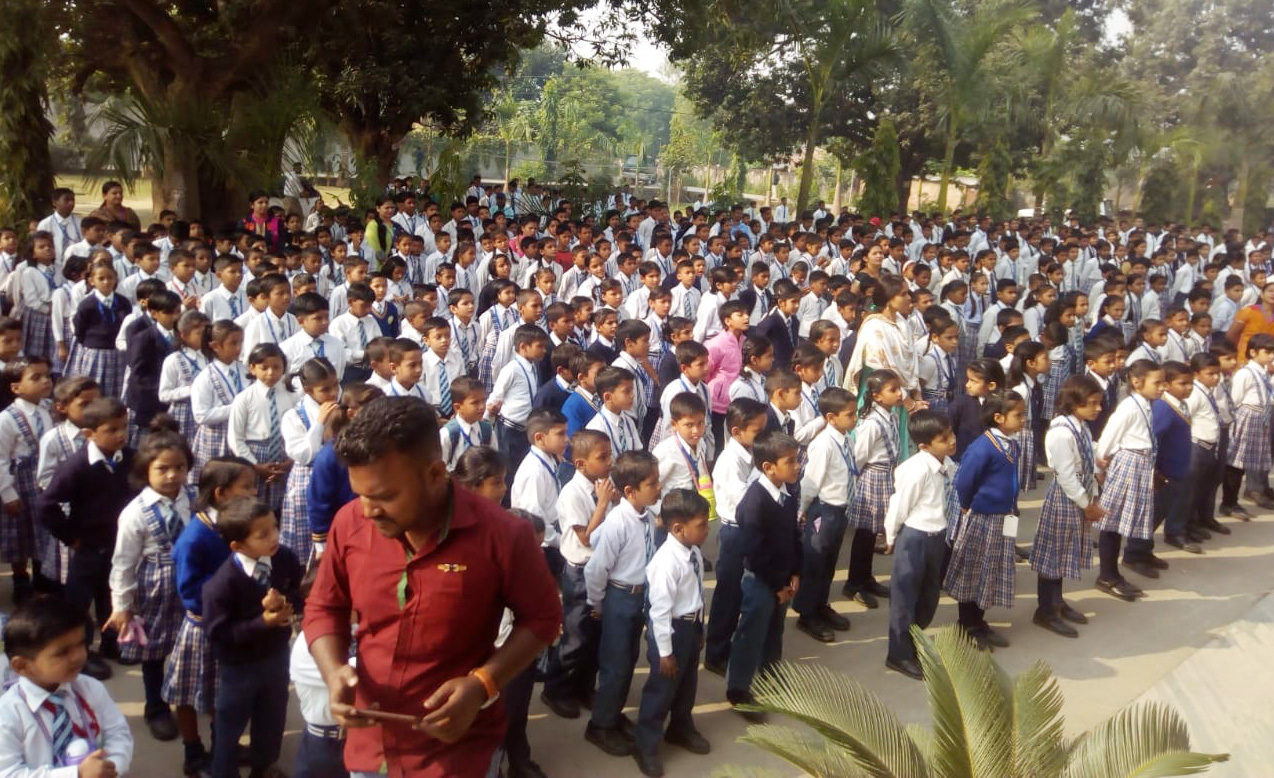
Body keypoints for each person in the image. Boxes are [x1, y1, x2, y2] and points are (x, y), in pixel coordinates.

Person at [303, 397, 561, 777]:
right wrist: (334, 671)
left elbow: (543, 618)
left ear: (436, 474)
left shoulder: (504, 535)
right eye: (361, 495)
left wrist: (483, 683)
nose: (369, 510)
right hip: (370, 752)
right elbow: (324, 607)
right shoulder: (349, 523)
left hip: (458, 754)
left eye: (385, 496)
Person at [169, 456, 257, 776]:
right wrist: (229, 598)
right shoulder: (195, 537)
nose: (254, 493)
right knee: (190, 694)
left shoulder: (235, 525)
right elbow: (190, 591)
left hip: (230, 622)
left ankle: (223, 747)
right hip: (203, 628)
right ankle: (193, 753)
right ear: (221, 493)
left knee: (224, 695)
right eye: (247, 487)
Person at [36, 397, 135, 681]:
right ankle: (84, 651)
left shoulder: (129, 458)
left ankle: (111, 643)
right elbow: (46, 505)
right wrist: (70, 537)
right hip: (88, 548)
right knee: (79, 602)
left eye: (124, 427)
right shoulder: (78, 465)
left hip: (119, 545)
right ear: (89, 434)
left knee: (111, 594)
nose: (121, 435)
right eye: (112, 430)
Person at [203, 497, 304, 778]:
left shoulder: (284, 558)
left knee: (272, 717)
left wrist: (286, 602)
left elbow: (297, 592)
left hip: (276, 657)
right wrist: (262, 622)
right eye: (263, 535)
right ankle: (224, 771)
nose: (274, 537)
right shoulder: (222, 584)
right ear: (237, 546)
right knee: (230, 724)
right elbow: (218, 633)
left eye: (274, 527)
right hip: (239, 667)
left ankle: (263, 767)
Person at [0, 595, 133, 776]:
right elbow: (8, 772)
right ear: (22, 666)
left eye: (81, 644)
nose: (78, 656)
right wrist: (76, 774)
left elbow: (118, 733)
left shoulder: (91, 689)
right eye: (62, 652)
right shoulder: (8, 714)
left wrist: (112, 765)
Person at [582, 450, 661, 757]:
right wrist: (597, 602)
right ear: (630, 491)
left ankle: (613, 715)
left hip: (639, 596)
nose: (658, 487)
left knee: (628, 660)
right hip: (620, 597)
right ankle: (600, 725)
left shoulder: (646, 516)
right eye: (652, 484)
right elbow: (596, 568)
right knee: (614, 665)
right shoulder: (619, 521)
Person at [633, 489, 712, 778]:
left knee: (687, 681)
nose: (707, 529)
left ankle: (680, 726)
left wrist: (699, 628)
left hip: (689, 627)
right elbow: (660, 612)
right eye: (701, 525)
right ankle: (645, 744)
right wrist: (665, 653)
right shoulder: (666, 563)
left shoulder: (693, 552)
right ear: (678, 529)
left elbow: (696, 595)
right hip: (671, 631)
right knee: (662, 689)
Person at [725, 430, 801, 717]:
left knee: (774, 630)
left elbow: (794, 537)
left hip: (781, 579)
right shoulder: (754, 503)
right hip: (761, 581)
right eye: (790, 461)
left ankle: (771, 674)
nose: (797, 466)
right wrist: (778, 585)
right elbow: (755, 553)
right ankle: (738, 690)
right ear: (768, 467)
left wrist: (795, 572)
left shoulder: (787, 495)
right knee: (751, 633)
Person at [540, 430, 613, 720]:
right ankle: (555, 688)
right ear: (581, 464)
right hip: (580, 573)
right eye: (602, 457)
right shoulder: (573, 493)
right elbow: (585, 537)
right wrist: (603, 504)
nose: (609, 462)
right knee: (576, 635)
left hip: (601, 568)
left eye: (609, 455)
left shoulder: (602, 485)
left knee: (596, 635)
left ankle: (584, 687)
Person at [946, 391, 1026, 651]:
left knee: (990, 570)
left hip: (1003, 516)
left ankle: (979, 622)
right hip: (982, 517)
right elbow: (964, 482)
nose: (1023, 420)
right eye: (1018, 415)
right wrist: (967, 506)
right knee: (973, 570)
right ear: (999, 417)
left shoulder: (1011, 444)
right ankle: (967, 625)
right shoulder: (982, 447)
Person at [883, 410, 958, 679]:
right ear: (924, 446)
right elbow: (900, 505)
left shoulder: (946, 464)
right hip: (915, 538)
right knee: (905, 598)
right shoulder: (916, 470)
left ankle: (913, 641)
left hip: (937, 537)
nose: (952, 441)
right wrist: (891, 536)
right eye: (943, 439)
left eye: (951, 434)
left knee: (929, 596)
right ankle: (898, 655)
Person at [1031, 376, 1105, 638]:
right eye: (1092, 403)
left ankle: (1057, 602)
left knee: (1062, 554)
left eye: (1098, 403)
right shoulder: (1061, 433)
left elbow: (1086, 464)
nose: (1098, 408)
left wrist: (1093, 495)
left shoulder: (1081, 427)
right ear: (1074, 404)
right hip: (1065, 498)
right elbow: (1066, 475)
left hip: (1078, 496)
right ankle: (1045, 611)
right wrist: (1087, 504)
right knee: (1053, 555)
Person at [703, 398, 767, 676]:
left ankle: (730, 645)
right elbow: (746, 502)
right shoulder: (730, 461)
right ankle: (716, 653)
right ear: (736, 431)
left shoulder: (750, 452)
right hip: (734, 533)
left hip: (748, 530)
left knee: (741, 591)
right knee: (728, 593)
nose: (762, 436)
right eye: (757, 431)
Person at [1094, 360, 1164, 602]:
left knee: (1121, 523)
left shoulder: (1145, 405)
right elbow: (1107, 438)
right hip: (1129, 464)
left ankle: (1114, 574)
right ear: (1137, 382)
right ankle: (1106, 576)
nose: (1161, 387)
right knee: (1112, 523)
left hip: (1141, 465)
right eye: (1157, 382)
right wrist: (1099, 468)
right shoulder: (1129, 408)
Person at [793, 387, 857, 643]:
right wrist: (803, 509)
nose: (854, 419)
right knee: (815, 562)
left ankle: (821, 604)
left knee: (829, 562)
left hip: (840, 509)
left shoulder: (846, 439)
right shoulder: (823, 445)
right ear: (831, 417)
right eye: (849, 415)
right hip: (824, 510)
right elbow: (811, 482)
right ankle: (807, 613)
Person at [845, 370, 904, 608]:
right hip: (873, 477)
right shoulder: (871, 423)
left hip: (886, 476)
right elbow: (859, 456)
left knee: (873, 533)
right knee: (865, 532)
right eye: (893, 390)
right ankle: (854, 583)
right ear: (877, 396)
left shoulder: (891, 416)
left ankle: (866, 578)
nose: (899, 394)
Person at [279, 359, 341, 565]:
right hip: (306, 481)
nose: (333, 393)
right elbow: (304, 455)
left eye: (336, 385)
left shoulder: (342, 407)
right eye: (325, 390)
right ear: (308, 390)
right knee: (306, 548)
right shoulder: (294, 416)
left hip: (336, 478)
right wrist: (319, 423)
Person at [227, 344, 295, 512]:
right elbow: (235, 438)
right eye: (264, 368)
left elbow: (298, 429)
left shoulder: (292, 396)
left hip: (284, 454)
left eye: (276, 367)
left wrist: (291, 460)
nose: (271, 373)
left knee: (283, 505)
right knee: (255, 505)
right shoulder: (244, 399)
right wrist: (255, 466)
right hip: (256, 455)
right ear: (252, 368)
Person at [510, 409, 569, 574]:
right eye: (560, 434)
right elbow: (534, 518)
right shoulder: (533, 472)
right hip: (544, 545)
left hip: (552, 537)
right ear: (540, 438)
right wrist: (562, 542)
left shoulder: (550, 458)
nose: (567, 439)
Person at [190, 321, 247, 483]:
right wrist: (236, 408)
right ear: (215, 346)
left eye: (240, 342)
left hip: (242, 435)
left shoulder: (245, 370)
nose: (239, 348)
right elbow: (201, 415)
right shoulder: (205, 377)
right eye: (233, 343)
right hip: (217, 438)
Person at [1226, 334, 1274, 508]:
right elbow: (1235, 399)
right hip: (1248, 417)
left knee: (1257, 457)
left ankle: (1259, 489)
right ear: (1253, 352)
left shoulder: (1263, 372)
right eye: (1268, 352)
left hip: (1262, 416)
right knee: (1239, 460)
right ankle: (1235, 499)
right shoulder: (1245, 373)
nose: (1272, 356)